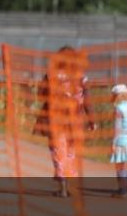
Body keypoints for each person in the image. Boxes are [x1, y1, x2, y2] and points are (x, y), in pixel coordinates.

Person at [33, 45, 94, 197]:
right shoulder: (81, 76)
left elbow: (41, 95)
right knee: (71, 153)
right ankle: (70, 187)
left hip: (56, 120)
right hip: (75, 121)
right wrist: (92, 119)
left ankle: (63, 189)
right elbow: (87, 99)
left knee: (58, 151)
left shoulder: (51, 75)